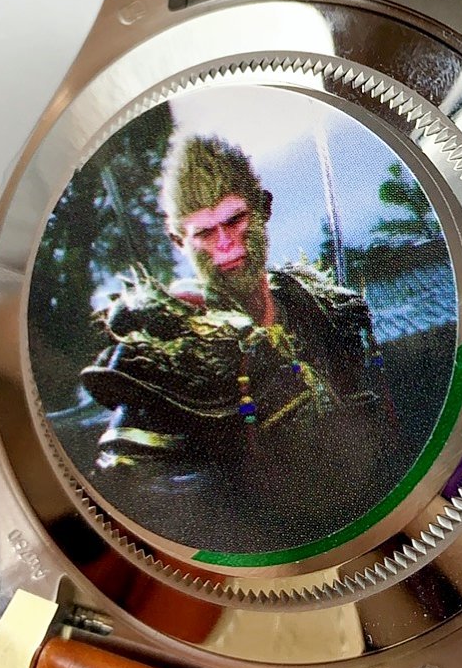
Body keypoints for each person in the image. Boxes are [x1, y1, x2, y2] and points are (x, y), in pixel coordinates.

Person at [80, 133, 390, 553]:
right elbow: (134, 498)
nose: (226, 243)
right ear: (178, 241)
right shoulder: (170, 347)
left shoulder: (316, 306)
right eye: (205, 233)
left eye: (235, 220)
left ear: (263, 209)